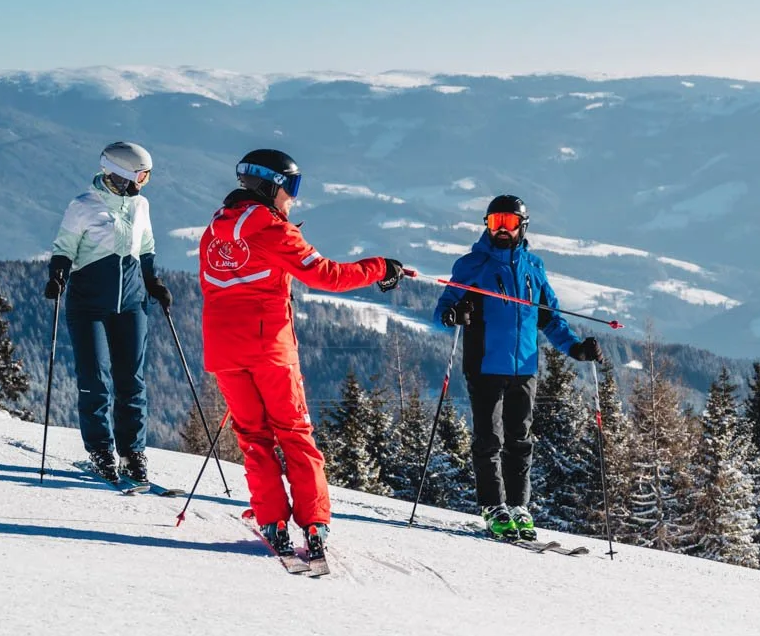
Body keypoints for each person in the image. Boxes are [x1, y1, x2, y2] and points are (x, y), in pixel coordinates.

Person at [199, 148, 404, 563]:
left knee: (253, 437)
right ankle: (314, 522)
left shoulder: (214, 231)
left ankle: (272, 520)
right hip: (270, 349)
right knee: (294, 433)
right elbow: (327, 275)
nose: (293, 197)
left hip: (223, 351)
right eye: (291, 186)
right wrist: (380, 267)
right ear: (270, 186)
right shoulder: (274, 231)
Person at [433, 194, 600, 541]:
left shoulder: (534, 267)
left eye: (508, 222)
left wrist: (576, 349)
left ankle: (518, 506)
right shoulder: (472, 266)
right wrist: (454, 314)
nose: (502, 230)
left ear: (522, 227)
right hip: (485, 366)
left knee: (520, 440)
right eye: (496, 222)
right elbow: (442, 312)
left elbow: (550, 319)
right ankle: (493, 506)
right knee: (489, 439)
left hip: (525, 368)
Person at [45, 140, 171, 485]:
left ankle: (132, 453)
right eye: (142, 176)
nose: (144, 183)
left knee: (132, 381)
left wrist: (154, 283)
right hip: (89, 307)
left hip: (132, 304)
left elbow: (146, 248)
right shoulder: (83, 206)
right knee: (96, 380)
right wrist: (57, 275)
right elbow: (64, 248)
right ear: (122, 174)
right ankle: (101, 450)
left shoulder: (141, 205)